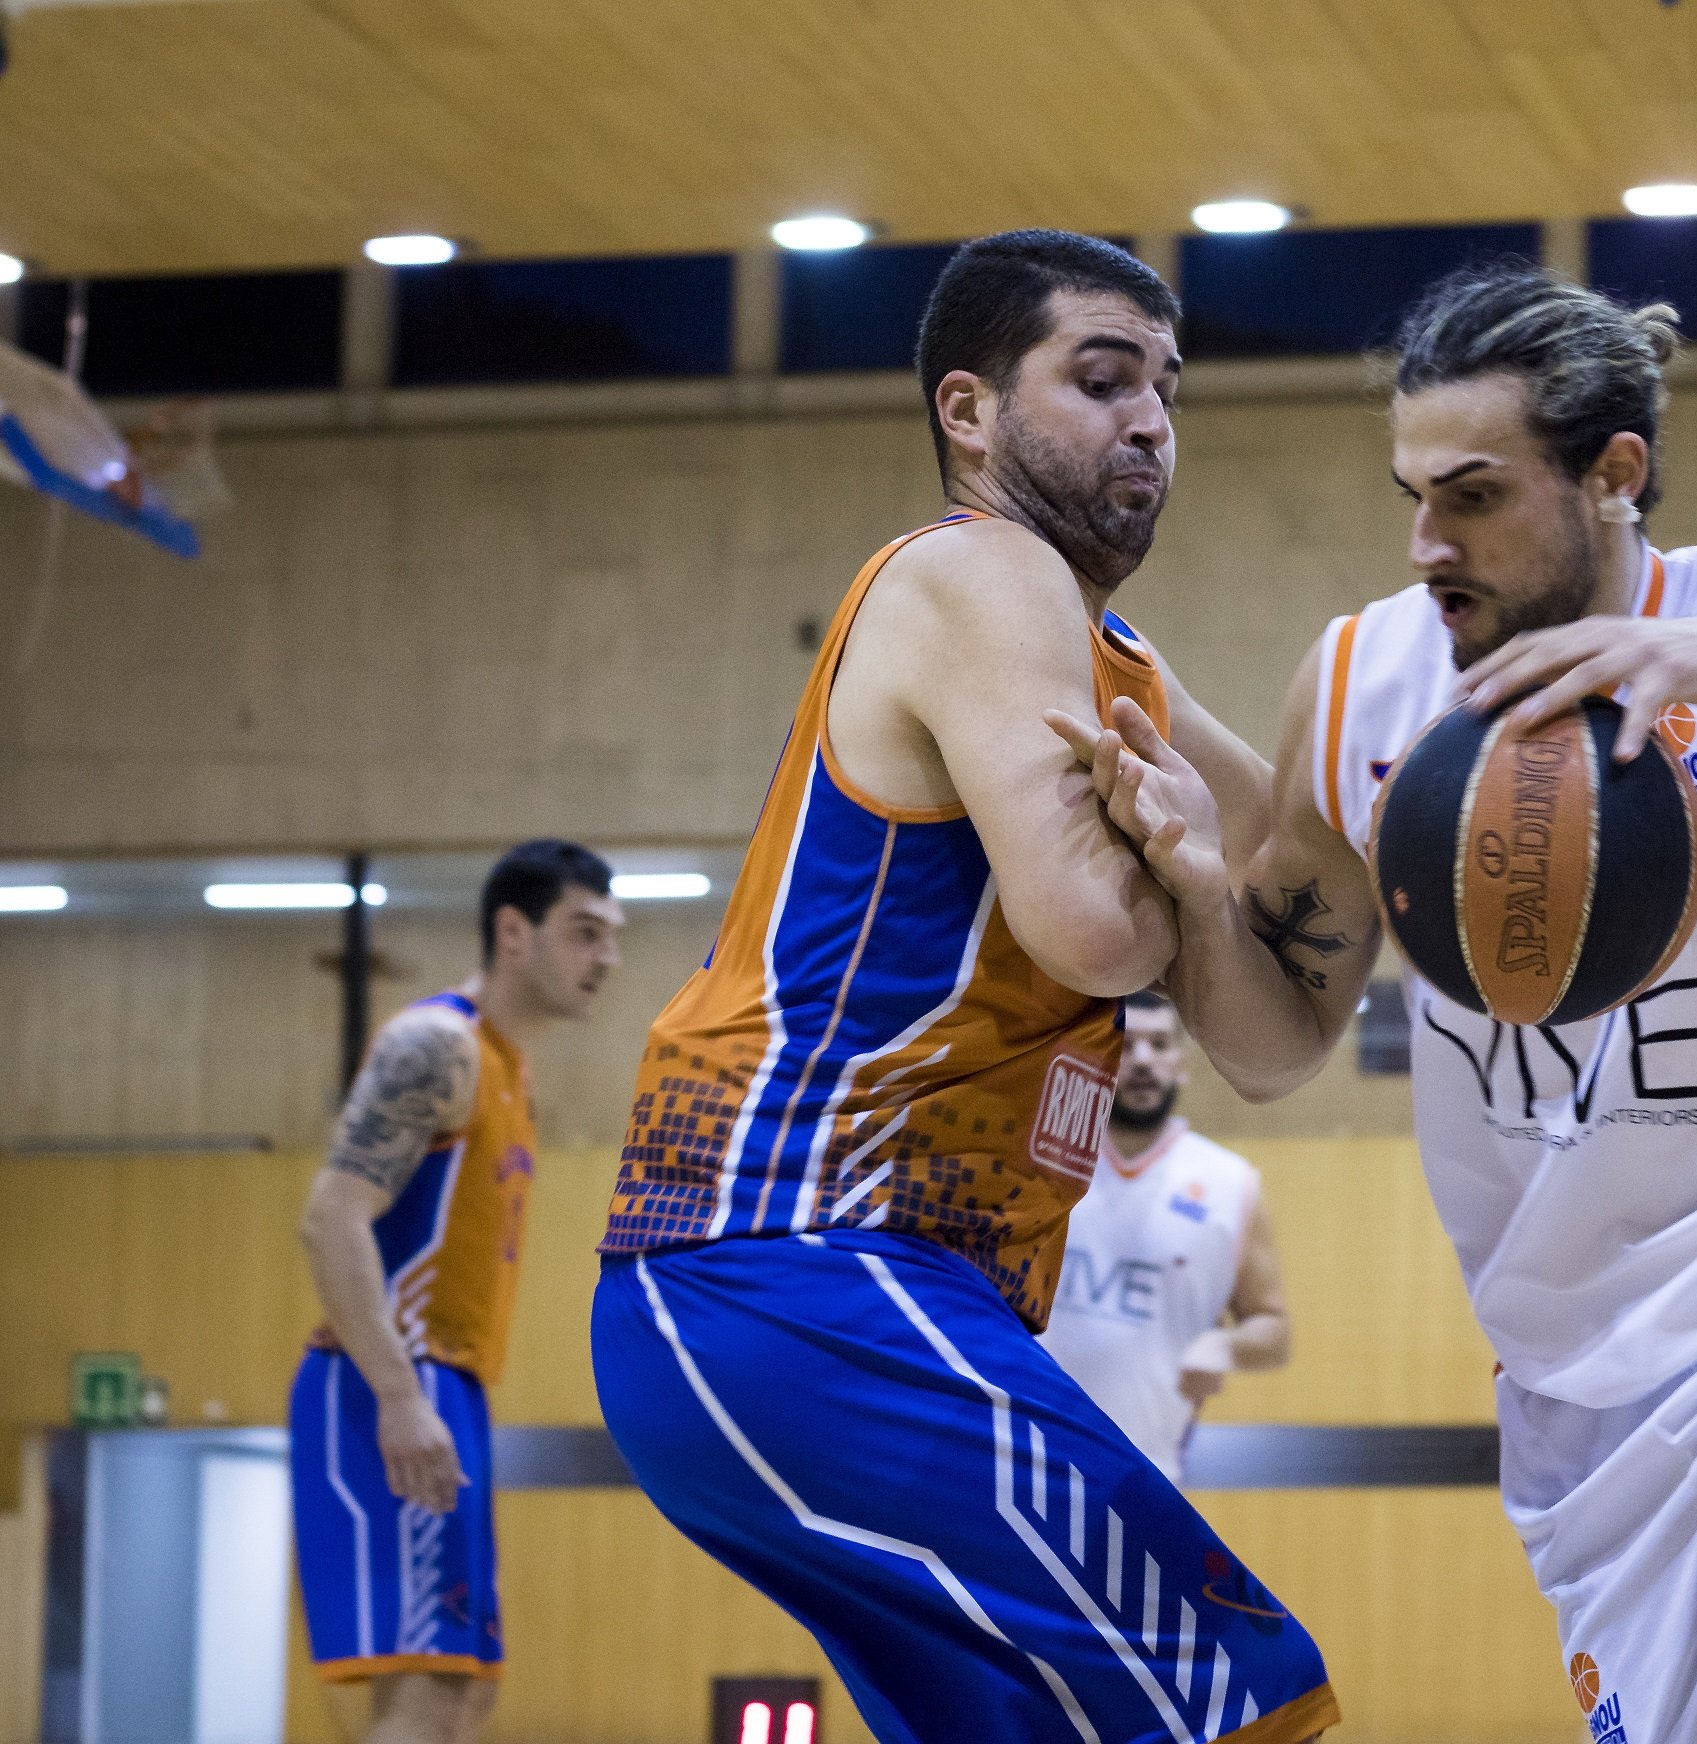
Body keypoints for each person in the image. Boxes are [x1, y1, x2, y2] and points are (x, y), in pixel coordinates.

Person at [1061, 263, 1697, 1744]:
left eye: (1472, 497)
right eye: (1413, 495)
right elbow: (1274, 1043)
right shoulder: (1360, 679)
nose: (1428, 543)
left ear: (1615, 475)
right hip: (1582, 1378)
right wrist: (1190, 893)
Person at [591, 231, 1336, 1744]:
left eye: (1167, 390)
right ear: (970, 413)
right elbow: (1105, 940)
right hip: (794, 1257)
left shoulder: (1114, 653)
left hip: (845, 1295)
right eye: (1102, 378)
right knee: (1242, 1702)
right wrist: (1202, 896)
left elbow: (1292, 993)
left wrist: (1402, 759)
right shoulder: (980, 571)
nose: (1151, 423)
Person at [290, 840, 623, 1740]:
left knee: (466, 1693)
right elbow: (330, 1218)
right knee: (429, 1694)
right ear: (514, 932)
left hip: (449, 1388)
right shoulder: (436, 1047)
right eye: (584, 933)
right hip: (390, 1384)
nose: (608, 959)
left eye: (612, 936)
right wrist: (399, 1395)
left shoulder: (512, 1070)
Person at [1038, 990, 1293, 1485]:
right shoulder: (1044, 1159)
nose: (1143, 1061)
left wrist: (1224, 1347)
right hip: (1016, 1453)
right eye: (1127, 1045)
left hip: (1145, 1476)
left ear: (1182, 1063)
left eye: (1159, 1044)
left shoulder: (1229, 1183)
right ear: (1098, 1058)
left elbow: (1273, 1330)